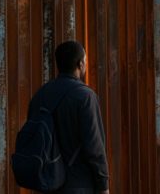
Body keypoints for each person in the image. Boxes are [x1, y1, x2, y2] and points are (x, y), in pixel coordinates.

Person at [26, 41, 109, 194]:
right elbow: (95, 148)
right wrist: (103, 185)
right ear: (81, 64)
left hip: (47, 183)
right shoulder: (85, 97)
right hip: (79, 185)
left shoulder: (40, 96)